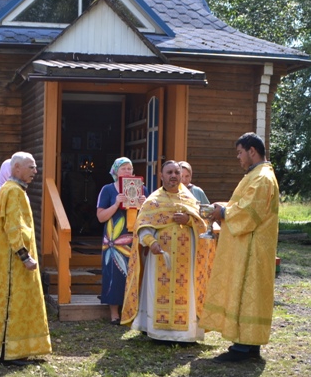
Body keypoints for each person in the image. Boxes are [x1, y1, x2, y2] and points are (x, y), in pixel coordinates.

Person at [200, 133, 280, 362]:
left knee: (247, 293)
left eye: (239, 152)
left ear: (251, 151)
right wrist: (224, 207)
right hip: (251, 246)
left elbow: (249, 212)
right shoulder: (256, 175)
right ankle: (248, 345)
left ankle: (243, 348)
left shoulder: (262, 177)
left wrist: (223, 212)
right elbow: (243, 205)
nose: (238, 157)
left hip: (252, 250)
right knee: (249, 294)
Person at [120, 160, 216, 343]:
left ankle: (184, 335)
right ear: (161, 176)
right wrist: (151, 242)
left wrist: (188, 219)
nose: (173, 176)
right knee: (157, 292)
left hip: (185, 260)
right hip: (159, 258)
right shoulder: (153, 201)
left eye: (176, 173)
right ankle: (156, 332)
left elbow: (203, 225)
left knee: (185, 293)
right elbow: (142, 225)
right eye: (169, 172)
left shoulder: (190, 199)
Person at [0, 152, 52, 364]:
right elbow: (15, 227)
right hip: (13, 263)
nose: (35, 171)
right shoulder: (14, 192)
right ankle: (11, 350)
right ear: (16, 168)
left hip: (3, 259)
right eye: (31, 167)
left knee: (2, 304)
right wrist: (24, 256)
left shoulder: (7, 189)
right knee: (13, 302)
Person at [95, 157, 146, 325]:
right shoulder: (108, 190)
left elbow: (150, 216)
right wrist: (116, 204)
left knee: (133, 273)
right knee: (114, 273)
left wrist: (144, 206)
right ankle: (114, 314)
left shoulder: (141, 189)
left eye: (129, 168)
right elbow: (101, 217)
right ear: (115, 171)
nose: (127, 171)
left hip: (134, 238)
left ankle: (131, 311)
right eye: (123, 168)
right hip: (114, 240)